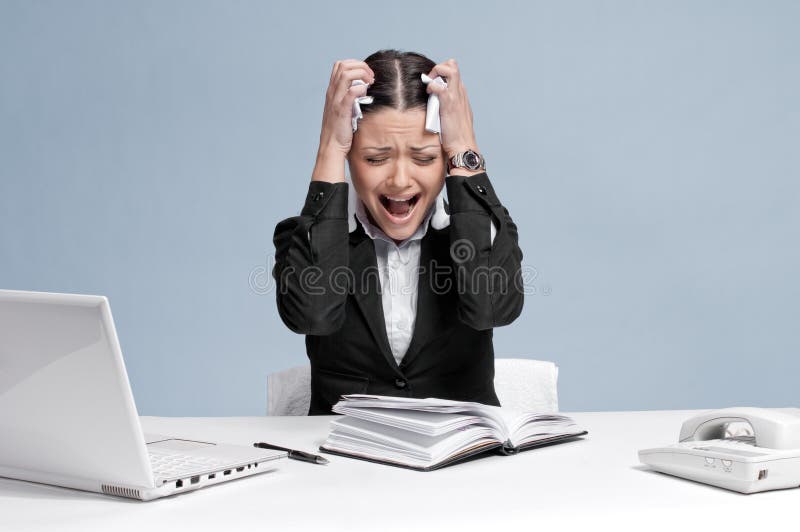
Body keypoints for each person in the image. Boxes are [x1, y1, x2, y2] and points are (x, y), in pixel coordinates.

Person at [272, 49, 524, 415]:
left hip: (462, 456)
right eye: (375, 158)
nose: (401, 180)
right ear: (350, 156)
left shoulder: (476, 230)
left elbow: (491, 309)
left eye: (424, 158)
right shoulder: (307, 236)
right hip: (345, 457)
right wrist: (329, 147)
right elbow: (313, 315)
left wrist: (463, 147)